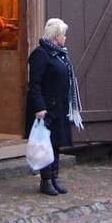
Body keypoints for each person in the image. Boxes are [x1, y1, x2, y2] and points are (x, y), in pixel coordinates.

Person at [27, 18, 84, 196]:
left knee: (56, 143)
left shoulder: (60, 54)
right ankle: (45, 180)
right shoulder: (41, 54)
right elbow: (35, 83)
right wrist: (39, 106)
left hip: (59, 106)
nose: (65, 38)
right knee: (46, 144)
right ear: (56, 36)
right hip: (47, 107)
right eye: (63, 35)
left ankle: (54, 177)